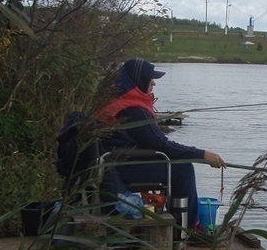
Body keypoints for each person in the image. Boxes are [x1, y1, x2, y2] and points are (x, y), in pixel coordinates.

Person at [95, 58, 225, 229]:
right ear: (138, 81)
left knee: (176, 164)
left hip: (113, 165)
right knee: (183, 169)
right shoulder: (134, 111)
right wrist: (202, 155)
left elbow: (152, 140)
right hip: (122, 170)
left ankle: (181, 221)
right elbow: (162, 146)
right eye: (150, 78)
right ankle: (188, 227)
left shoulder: (117, 101)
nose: (154, 83)